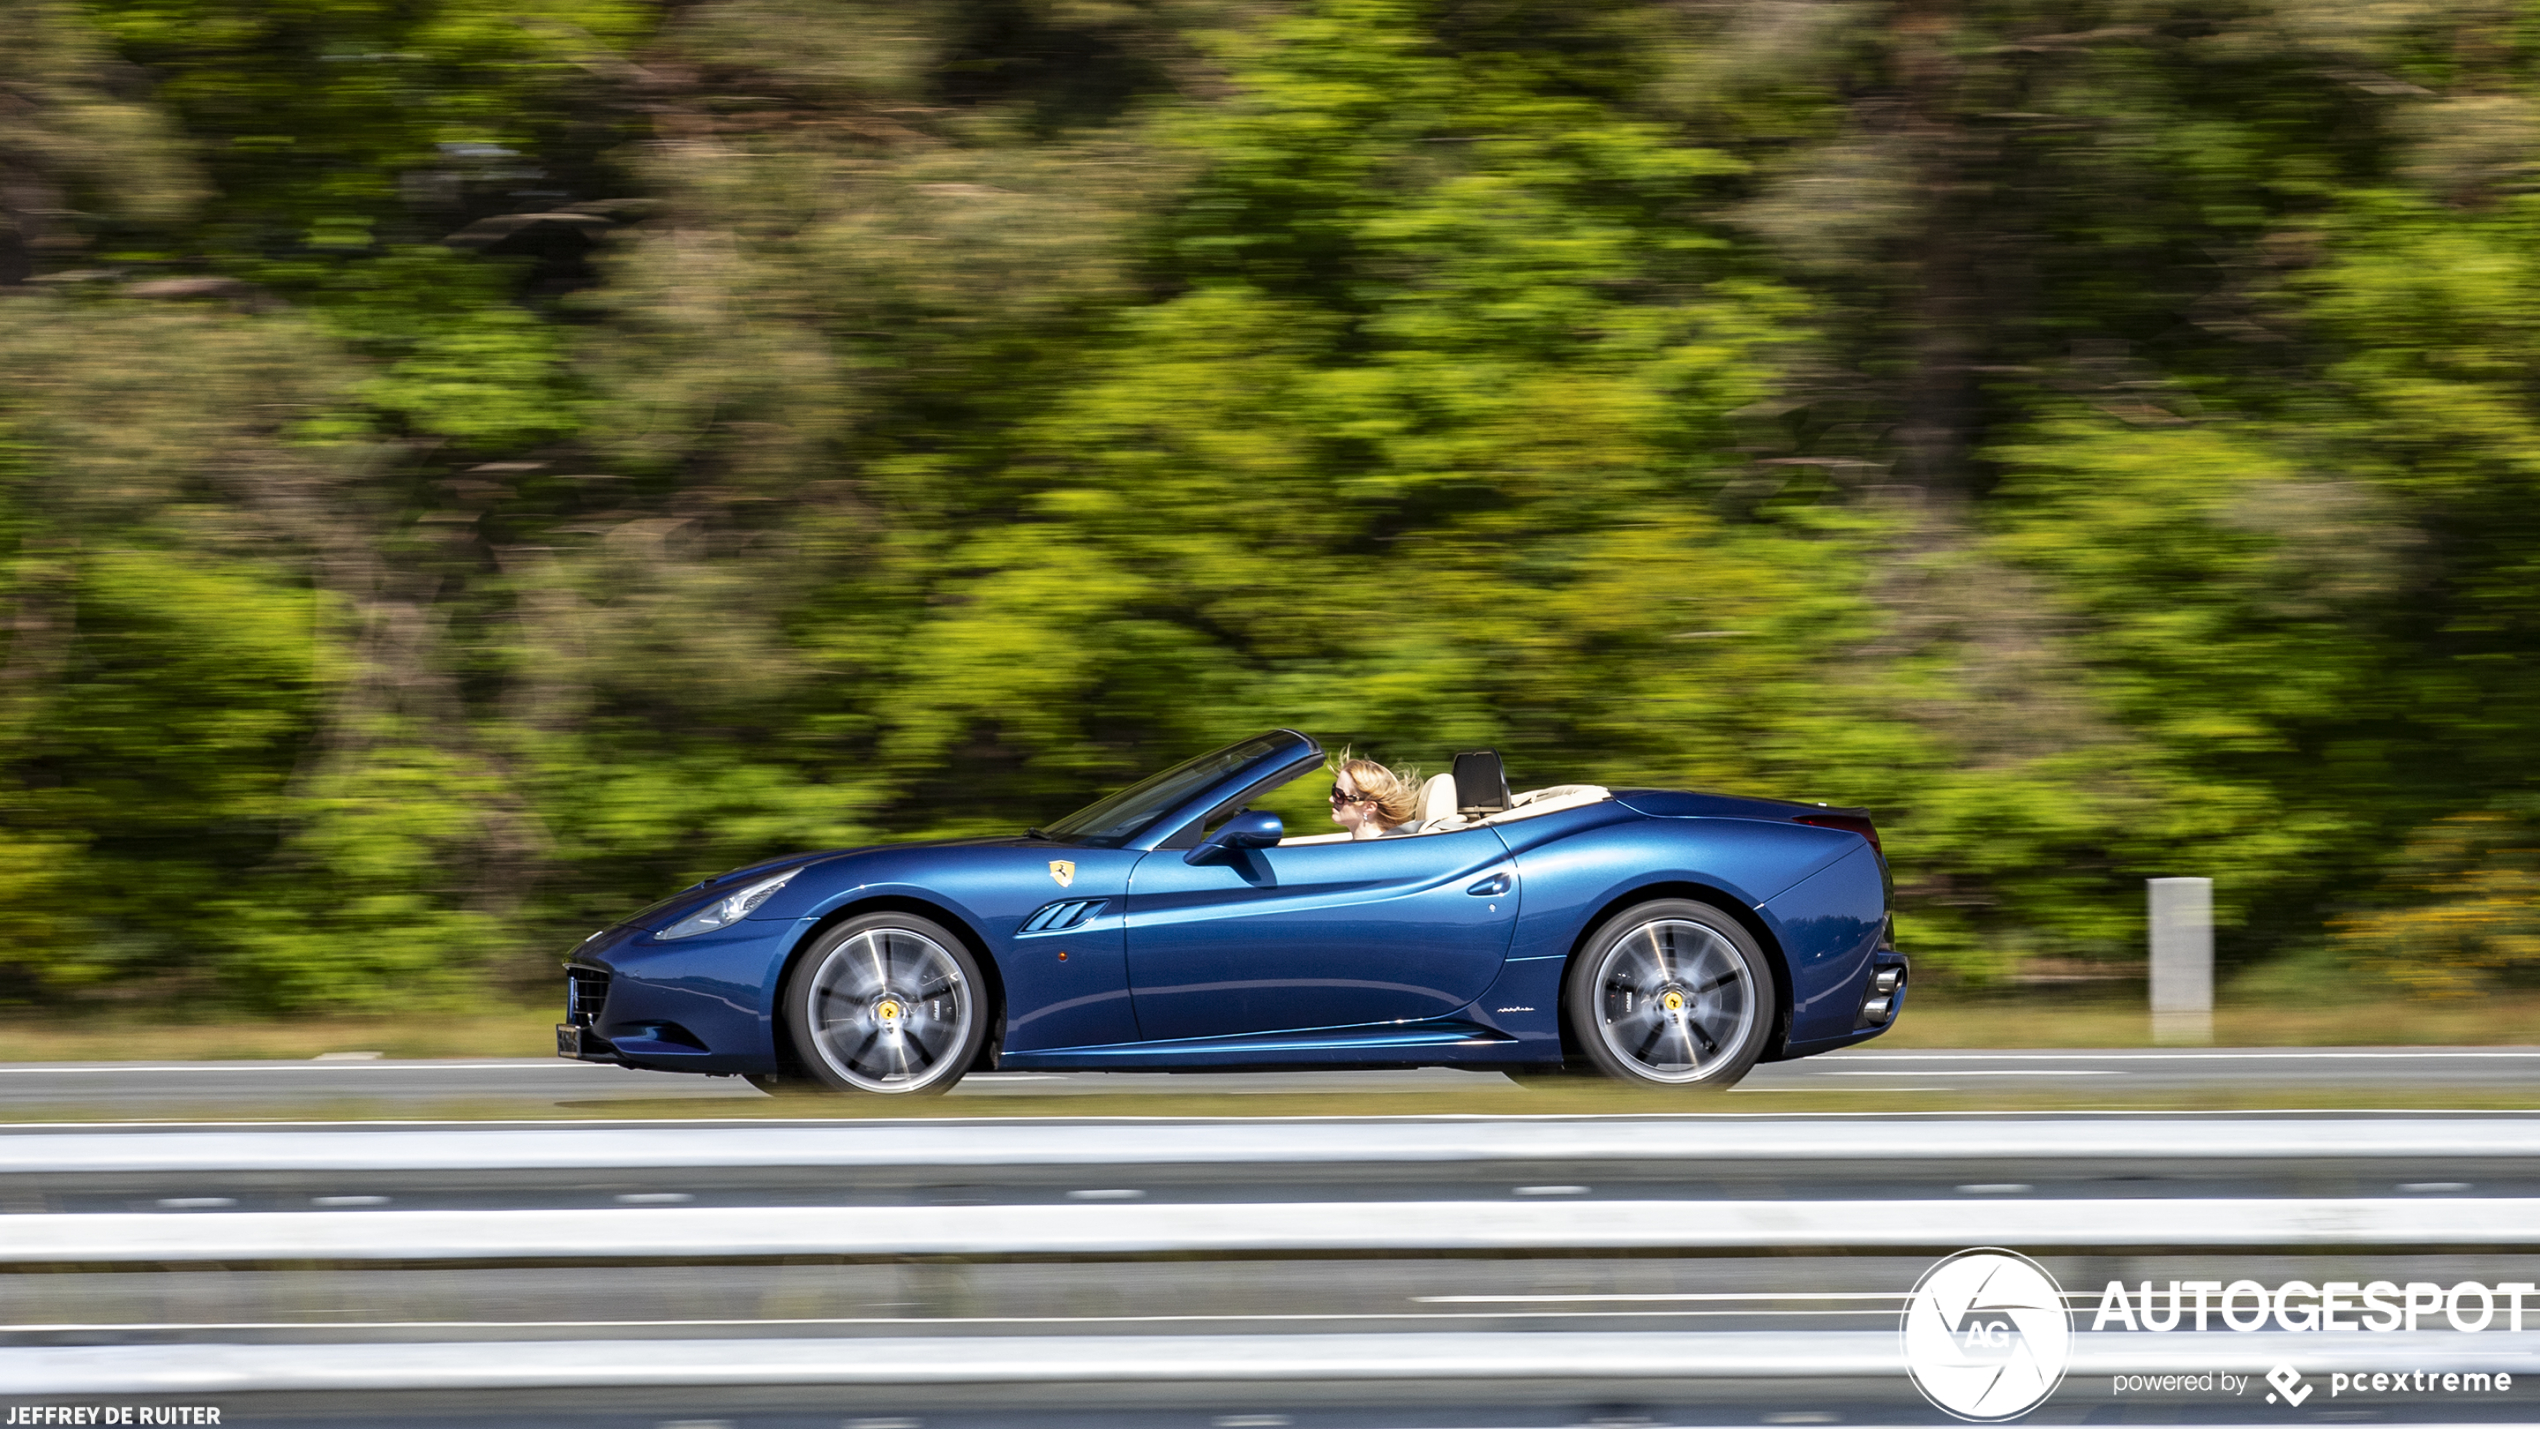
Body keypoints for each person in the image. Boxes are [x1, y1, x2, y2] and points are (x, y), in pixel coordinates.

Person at [1329, 756, 1421, 839]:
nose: (1331, 799)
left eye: (1339, 795)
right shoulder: (1363, 848)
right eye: (1334, 791)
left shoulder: (1381, 851)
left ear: (1369, 807)